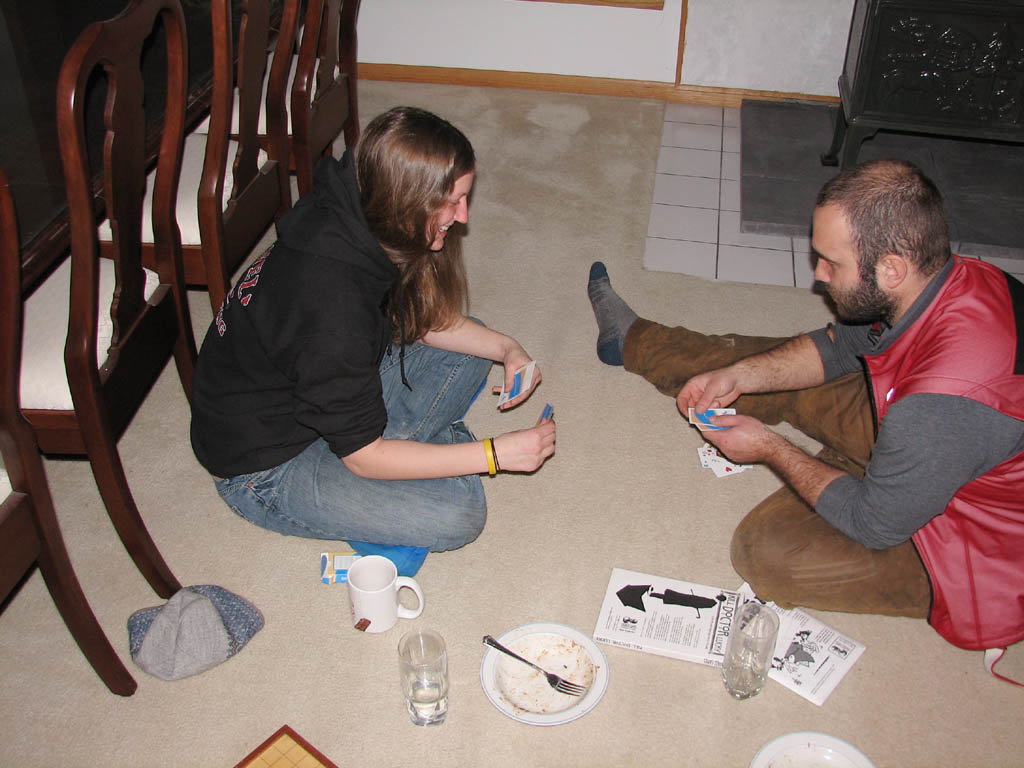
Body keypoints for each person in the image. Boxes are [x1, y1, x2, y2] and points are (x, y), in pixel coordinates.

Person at [588, 158, 1024, 655]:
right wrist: (739, 374)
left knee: (765, 552)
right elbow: (837, 348)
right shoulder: (946, 282)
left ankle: (859, 473)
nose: (818, 276)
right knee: (779, 368)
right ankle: (634, 342)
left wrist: (769, 447)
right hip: (925, 440)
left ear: (892, 268)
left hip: (972, 542)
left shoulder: (942, 406)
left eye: (831, 263)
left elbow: (873, 525)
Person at [190, 106, 555, 572]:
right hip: (265, 465)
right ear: (408, 204)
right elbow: (364, 457)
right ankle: (416, 459)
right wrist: (493, 454)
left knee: (474, 347)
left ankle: (414, 453)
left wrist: (510, 349)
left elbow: (419, 320)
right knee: (460, 511)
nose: (462, 217)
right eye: (452, 202)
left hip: (313, 392)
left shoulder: (359, 204)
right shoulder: (332, 312)